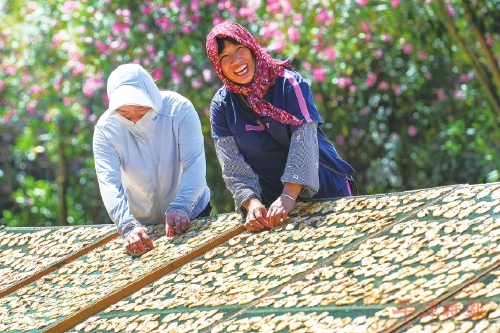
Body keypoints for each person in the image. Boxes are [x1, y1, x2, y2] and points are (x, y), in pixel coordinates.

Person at [206, 21, 356, 232]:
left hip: (326, 191)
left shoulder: (289, 84)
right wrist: (252, 204)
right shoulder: (222, 105)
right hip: (272, 209)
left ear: (251, 48)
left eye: (240, 49)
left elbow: (303, 141)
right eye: (225, 57)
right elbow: (232, 164)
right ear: (218, 66)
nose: (236, 60)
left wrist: (288, 195)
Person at [93, 64, 211, 256]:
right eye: (125, 114)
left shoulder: (179, 110)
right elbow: (110, 184)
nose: (135, 119)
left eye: (141, 110)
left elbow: (194, 165)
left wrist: (181, 206)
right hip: (140, 225)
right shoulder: (106, 129)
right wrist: (128, 226)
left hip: (191, 212)